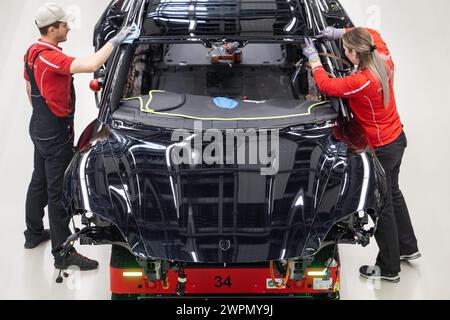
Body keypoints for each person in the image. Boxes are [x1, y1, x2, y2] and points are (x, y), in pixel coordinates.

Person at [23, 3, 136, 270]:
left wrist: (43, 117)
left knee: (38, 180)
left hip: (40, 126)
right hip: (53, 132)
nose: (69, 27)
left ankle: (33, 234)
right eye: (64, 25)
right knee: (58, 191)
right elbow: (92, 64)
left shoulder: (32, 51)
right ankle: (62, 254)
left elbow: (29, 87)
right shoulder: (52, 58)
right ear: (52, 29)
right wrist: (117, 40)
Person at [302, 27, 420, 282]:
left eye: (345, 50)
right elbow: (370, 31)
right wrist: (338, 33)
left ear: (355, 54)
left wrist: (313, 58)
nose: (343, 52)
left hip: (382, 148)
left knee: (382, 206)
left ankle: (389, 268)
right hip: (396, 138)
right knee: (394, 193)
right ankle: (408, 247)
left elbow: (327, 85)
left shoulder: (363, 81)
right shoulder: (382, 55)